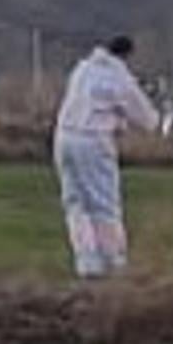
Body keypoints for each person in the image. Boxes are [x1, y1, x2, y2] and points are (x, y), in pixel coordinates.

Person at [54, 36, 160, 279]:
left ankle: (86, 261)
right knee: (104, 203)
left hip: (64, 138)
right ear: (127, 55)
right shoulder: (119, 79)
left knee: (75, 202)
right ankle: (113, 259)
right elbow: (146, 119)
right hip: (94, 140)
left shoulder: (82, 69)